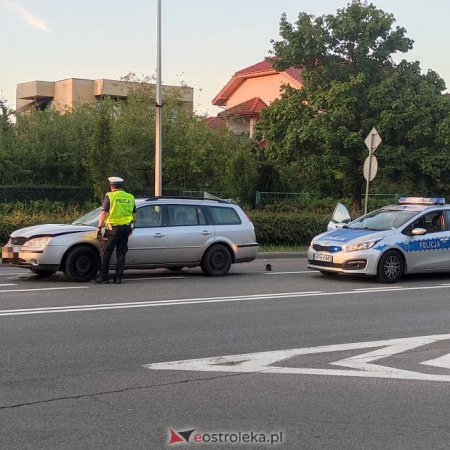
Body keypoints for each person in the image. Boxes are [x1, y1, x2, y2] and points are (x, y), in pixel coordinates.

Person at [96, 176, 136, 284]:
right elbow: (134, 213)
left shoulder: (110, 196)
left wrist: (99, 227)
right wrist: (131, 226)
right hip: (126, 228)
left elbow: (103, 212)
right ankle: (118, 278)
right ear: (121, 186)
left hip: (113, 229)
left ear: (111, 186)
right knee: (121, 252)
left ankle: (104, 277)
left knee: (105, 251)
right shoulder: (130, 197)